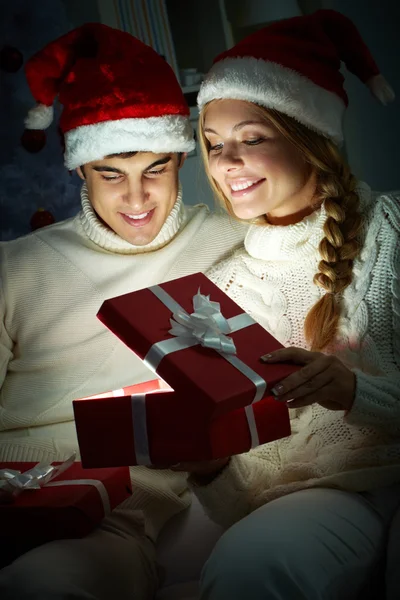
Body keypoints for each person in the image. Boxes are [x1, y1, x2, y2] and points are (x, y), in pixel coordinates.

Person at [0, 23, 247, 600]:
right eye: (112, 174)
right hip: (12, 481)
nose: (137, 201)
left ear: (181, 160)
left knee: (42, 587)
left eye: (154, 170)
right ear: (80, 168)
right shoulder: (16, 268)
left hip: (116, 510)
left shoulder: (233, 244)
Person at [163, 9, 400, 600]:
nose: (226, 163)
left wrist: (352, 392)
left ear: (310, 138)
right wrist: (210, 467)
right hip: (326, 499)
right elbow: (250, 498)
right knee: (249, 565)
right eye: (214, 145)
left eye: (252, 138)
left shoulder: (392, 231)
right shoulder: (217, 291)